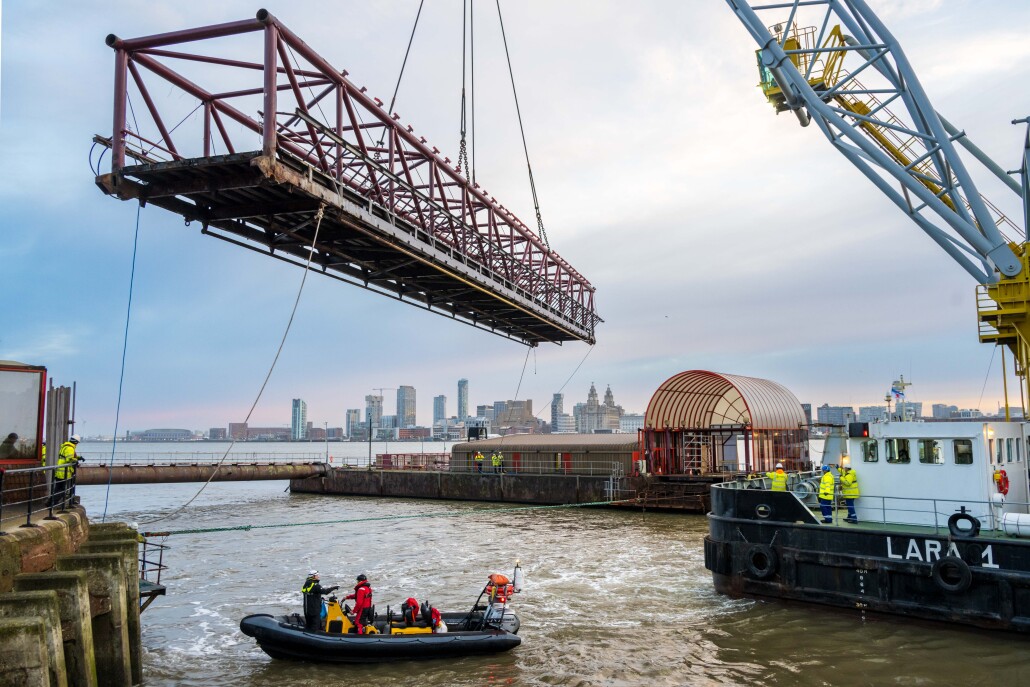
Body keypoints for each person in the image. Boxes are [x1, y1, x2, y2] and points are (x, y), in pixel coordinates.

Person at [55, 435, 85, 507]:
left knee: (57, 488)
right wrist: (76, 460)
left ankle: (52, 502)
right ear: (76, 442)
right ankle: (53, 503)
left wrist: (78, 457)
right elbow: (69, 459)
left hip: (60, 470)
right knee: (62, 489)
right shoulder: (70, 448)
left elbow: (67, 456)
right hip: (63, 472)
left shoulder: (66, 447)